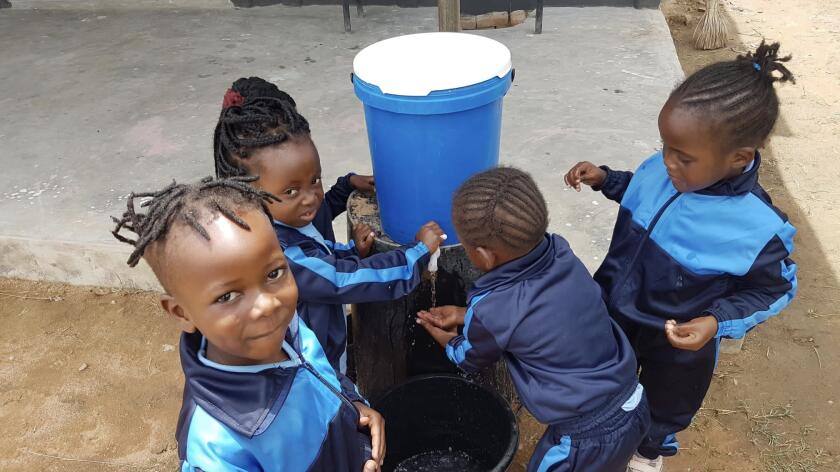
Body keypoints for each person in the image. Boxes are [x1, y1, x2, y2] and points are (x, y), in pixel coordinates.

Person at [564, 42, 798, 472]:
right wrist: (606, 179)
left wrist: (716, 321)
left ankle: (646, 454)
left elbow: (775, 288)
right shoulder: (664, 168)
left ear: (738, 158)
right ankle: (602, 431)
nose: (667, 162)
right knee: (605, 383)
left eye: (683, 157)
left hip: (677, 343)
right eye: (665, 147)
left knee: (664, 404)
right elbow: (642, 193)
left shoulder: (758, 228)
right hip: (615, 310)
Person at [110, 176, 385, 471]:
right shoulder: (216, 447)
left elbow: (322, 374)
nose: (267, 305)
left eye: (274, 274)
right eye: (228, 296)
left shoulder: (288, 327)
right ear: (181, 313)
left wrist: (354, 405)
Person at [417, 167, 649, 472]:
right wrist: (464, 315)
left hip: (583, 437)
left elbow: (470, 357)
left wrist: (446, 338)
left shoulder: (493, 309)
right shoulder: (562, 252)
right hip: (633, 399)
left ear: (485, 257)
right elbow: (542, 313)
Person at [213, 77, 445, 372]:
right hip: (313, 366)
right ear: (248, 193)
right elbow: (342, 280)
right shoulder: (277, 257)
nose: (312, 198)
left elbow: (316, 254)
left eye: (315, 180)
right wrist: (416, 254)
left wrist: (349, 251)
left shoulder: (274, 225)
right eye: (291, 191)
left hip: (322, 346)